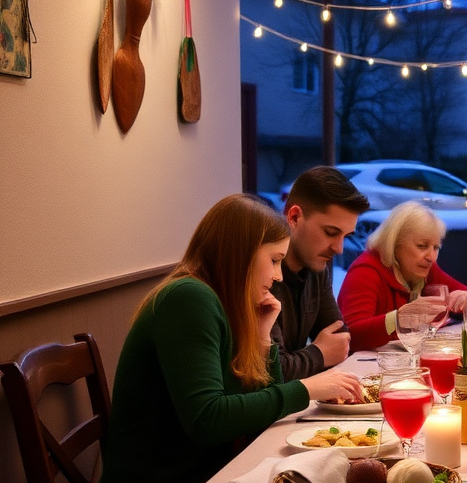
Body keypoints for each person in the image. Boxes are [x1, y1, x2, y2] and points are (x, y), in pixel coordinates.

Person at [102, 194, 364, 483]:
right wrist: (305, 389)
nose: (278, 276)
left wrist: (263, 339)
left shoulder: (221, 302)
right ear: (242, 254)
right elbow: (208, 420)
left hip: (214, 466)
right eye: (275, 260)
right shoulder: (189, 298)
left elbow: (261, 414)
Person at [271, 166, 370, 380]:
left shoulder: (316, 268)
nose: (339, 248)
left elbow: (339, 342)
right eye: (331, 233)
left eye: (345, 236)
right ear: (294, 217)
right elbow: (271, 372)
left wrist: (317, 354)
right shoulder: (262, 273)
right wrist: (318, 354)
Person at [339, 201, 467, 352]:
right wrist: (397, 320)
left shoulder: (424, 268)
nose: (432, 257)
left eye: (436, 248)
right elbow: (351, 335)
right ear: (395, 243)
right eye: (422, 246)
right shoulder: (365, 270)